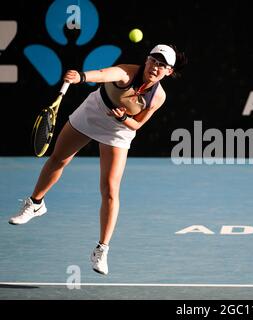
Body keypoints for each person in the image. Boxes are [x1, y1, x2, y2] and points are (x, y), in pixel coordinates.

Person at [8, 44, 187, 275]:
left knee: (110, 189)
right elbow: (104, 74)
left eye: (162, 65)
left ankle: (101, 249)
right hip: (93, 112)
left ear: (169, 72)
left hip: (119, 131)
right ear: (147, 60)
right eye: (153, 60)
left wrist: (123, 118)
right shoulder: (126, 72)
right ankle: (35, 204)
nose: (155, 67)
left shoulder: (158, 96)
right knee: (58, 159)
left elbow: (138, 124)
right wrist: (82, 77)